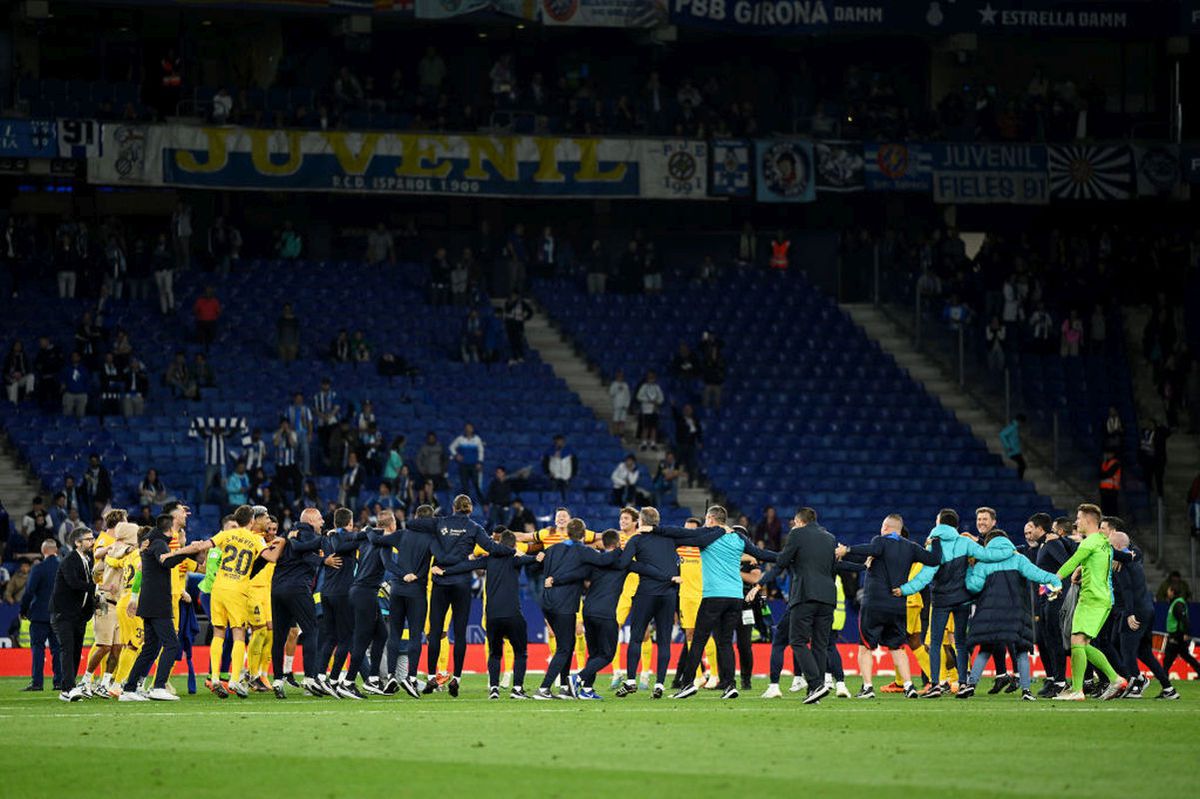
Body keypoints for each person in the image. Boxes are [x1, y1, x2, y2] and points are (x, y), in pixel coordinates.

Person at [648, 505, 777, 700]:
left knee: (699, 639)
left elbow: (681, 533)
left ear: (710, 519)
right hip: (735, 597)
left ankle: (688, 684)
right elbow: (762, 554)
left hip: (714, 596)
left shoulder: (709, 535)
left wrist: (654, 529)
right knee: (725, 642)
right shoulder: (738, 537)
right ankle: (730, 685)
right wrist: (788, 557)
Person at [898, 508, 1011, 697]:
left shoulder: (934, 545)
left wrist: (904, 589)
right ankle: (963, 683)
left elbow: (925, 576)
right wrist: (1009, 551)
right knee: (960, 642)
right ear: (956, 525)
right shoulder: (965, 542)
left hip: (941, 600)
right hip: (962, 599)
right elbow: (988, 555)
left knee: (935, 643)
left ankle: (935, 684)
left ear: (940, 523)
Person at [837, 514, 940, 699]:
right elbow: (934, 560)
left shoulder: (880, 541)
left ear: (885, 527)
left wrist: (848, 549)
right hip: (898, 605)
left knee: (865, 647)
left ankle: (867, 687)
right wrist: (936, 542)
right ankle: (909, 686)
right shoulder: (911, 547)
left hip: (874, 604)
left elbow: (872, 548)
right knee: (898, 647)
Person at [434, 529, 542, 699]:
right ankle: (517, 689)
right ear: (513, 545)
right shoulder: (516, 559)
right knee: (520, 652)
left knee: (494, 653)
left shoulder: (489, 559)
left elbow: (466, 565)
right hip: (513, 614)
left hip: (492, 616)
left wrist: (444, 571)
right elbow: (534, 559)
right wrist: (538, 557)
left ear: (499, 544)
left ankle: (494, 688)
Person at [957, 528, 1062, 701]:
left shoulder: (983, 563)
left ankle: (970, 685)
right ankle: (1026, 690)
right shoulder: (1019, 559)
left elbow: (973, 587)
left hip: (989, 613)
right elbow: (1037, 575)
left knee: (985, 649)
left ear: (988, 543)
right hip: (1016, 612)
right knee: (1021, 650)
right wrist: (1055, 580)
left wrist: (969, 570)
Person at [119, 517, 212, 701]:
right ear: (171, 529)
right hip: (157, 602)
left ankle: (129, 688)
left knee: (151, 647)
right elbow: (165, 563)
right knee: (171, 644)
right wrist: (187, 551)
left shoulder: (155, 543)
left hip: (154, 601)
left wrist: (198, 552)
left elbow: (201, 568)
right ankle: (158, 686)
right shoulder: (160, 544)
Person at [533, 518, 619, 700]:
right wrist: (621, 550)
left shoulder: (553, 549)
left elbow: (539, 566)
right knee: (564, 648)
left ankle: (565, 687)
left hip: (547, 602)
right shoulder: (583, 551)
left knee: (567, 644)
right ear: (584, 533)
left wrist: (553, 578)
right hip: (564, 604)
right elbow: (604, 561)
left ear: (567, 532)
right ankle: (544, 689)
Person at [206, 504, 285, 698]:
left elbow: (207, 549)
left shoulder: (233, 535)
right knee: (249, 632)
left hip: (243, 589)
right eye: (265, 518)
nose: (268, 521)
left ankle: (252, 674)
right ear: (254, 520)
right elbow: (270, 558)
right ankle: (244, 676)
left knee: (265, 631)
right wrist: (283, 542)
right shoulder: (255, 539)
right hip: (246, 591)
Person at [1054, 503, 1126, 701]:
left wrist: (1052, 579)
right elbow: (1094, 564)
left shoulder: (1089, 542)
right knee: (1082, 643)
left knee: (1077, 641)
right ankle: (1114, 679)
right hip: (1104, 598)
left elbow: (1072, 561)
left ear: (1087, 520)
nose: (1076, 523)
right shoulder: (1103, 541)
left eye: (1078, 519)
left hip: (1091, 598)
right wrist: (1082, 571)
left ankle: (1079, 690)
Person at [770, 507, 837, 704]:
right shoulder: (830, 537)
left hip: (805, 594)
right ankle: (814, 690)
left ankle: (816, 684)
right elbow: (833, 568)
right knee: (820, 644)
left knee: (798, 641)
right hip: (827, 596)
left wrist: (764, 579)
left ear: (799, 521)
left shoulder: (797, 534)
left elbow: (782, 560)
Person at [1108, 530, 1178, 700]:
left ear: (1117, 546)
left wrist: (1130, 613)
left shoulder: (1121, 563)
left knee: (1126, 650)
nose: (1108, 547)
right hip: (1148, 609)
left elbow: (1127, 589)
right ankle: (1168, 689)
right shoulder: (1135, 559)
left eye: (1110, 544)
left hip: (1135, 611)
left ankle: (1136, 684)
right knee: (1145, 652)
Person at [270, 507, 333, 698]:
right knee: (312, 630)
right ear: (311, 520)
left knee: (279, 636)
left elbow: (299, 553)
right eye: (320, 519)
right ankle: (309, 678)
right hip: (297, 588)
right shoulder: (306, 534)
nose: (322, 522)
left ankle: (278, 679)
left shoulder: (288, 533)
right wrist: (324, 558)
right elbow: (303, 552)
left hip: (277, 588)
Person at [50, 527, 96, 701]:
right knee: (67, 649)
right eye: (88, 539)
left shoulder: (87, 559)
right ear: (78, 542)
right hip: (63, 612)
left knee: (76, 651)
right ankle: (68, 688)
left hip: (78, 614)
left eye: (92, 538)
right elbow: (74, 583)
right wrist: (97, 588)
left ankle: (68, 688)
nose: (92, 541)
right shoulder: (70, 559)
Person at [19, 540, 61, 692]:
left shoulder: (38, 568)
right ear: (56, 550)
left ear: (43, 551)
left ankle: (37, 683)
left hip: (39, 615)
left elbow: (29, 592)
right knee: (57, 649)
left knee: (38, 649)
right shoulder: (63, 566)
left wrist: (23, 610)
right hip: (59, 614)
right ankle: (59, 682)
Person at [1161, 582, 1200, 684]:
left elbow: (1184, 619)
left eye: (1169, 590)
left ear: (1172, 592)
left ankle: (1164, 677)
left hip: (1177, 635)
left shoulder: (1177, 604)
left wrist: (1185, 633)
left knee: (1168, 658)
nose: (1167, 592)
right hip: (1178, 635)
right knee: (1185, 656)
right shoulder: (1176, 602)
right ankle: (1164, 676)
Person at [449, 423, 485, 500]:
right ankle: (466, 503)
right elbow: (451, 447)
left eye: (470, 428)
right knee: (465, 486)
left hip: (474, 465)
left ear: (472, 429)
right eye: (467, 428)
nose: (468, 429)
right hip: (463, 466)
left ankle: (482, 502)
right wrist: (456, 455)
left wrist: (479, 462)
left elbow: (481, 451)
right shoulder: (460, 439)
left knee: (476, 484)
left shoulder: (477, 439)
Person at [635, 371, 664, 450]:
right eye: (649, 377)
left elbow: (661, 398)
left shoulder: (657, 387)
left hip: (655, 410)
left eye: (652, 377)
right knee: (646, 427)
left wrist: (657, 402)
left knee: (654, 428)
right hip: (646, 410)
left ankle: (652, 443)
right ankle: (643, 443)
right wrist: (648, 400)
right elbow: (638, 397)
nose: (651, 379)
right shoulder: (644, 387)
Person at [542, 435, 576, 500]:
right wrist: (548, 473)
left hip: (566, 477)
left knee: (567, 496)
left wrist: (572, 475)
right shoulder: (549, 452)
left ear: (564, 442)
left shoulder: (570, 452)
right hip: (554, 477)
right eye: (557, 441)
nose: (559, 443)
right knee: (553, 496)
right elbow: (545, 464)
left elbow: (574, 464)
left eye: (561, 441)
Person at [503, 292, 533, 364]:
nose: (513, 297)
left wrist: (525, 318)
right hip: (510, 325)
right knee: (512, 342)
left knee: (519, 341)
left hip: (518, 325)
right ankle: (513, 357)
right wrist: (512, 303)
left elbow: (530, 312)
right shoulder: (508, 302)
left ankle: (520, 357)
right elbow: (508, 311)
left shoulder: (522, 303)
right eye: (512, 295)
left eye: (515, 296)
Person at [999, 415, 1027, 481]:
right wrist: (1008, 446)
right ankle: (1019, 479)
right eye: (1022, 423)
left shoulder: (1015, 427)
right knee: (1022, 465)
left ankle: (1019, 479)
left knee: (1022, 465)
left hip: (1016, 450)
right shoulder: (1012, 427)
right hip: (1013, 451)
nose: (1022, 425)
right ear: (1020, 421)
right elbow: (1002, 434)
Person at [1098, 449, 1121, 516]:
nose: (1107, 455)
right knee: (1105, 509)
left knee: (1112, 509)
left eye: (1109, 453)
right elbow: (1100, 474)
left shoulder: (1116, 463)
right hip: (1104, 489)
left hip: (1112, 489)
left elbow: (1108, 474)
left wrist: (1103, 474)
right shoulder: (1104, 463)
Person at [609, 369, 631, 438]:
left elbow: (628, 396)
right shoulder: (614, 384)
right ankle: (615, 434)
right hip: (617, 405)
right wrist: (617, 388)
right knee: (616, 421)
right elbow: (611, 393)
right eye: (619, 376)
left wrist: (627, 405)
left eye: (621, 376)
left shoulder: (625, 385)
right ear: (616, 376)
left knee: (622, 421)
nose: (620, 378)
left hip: (624, 406)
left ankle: (621, 435)